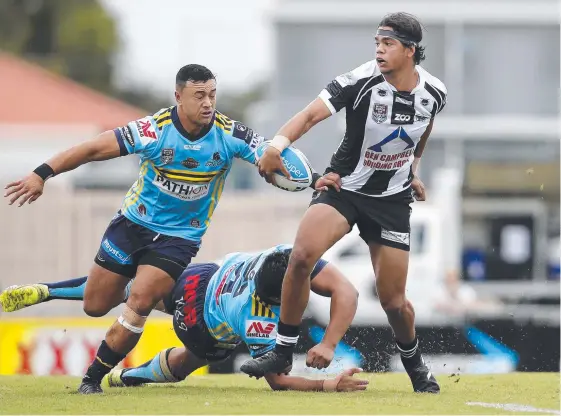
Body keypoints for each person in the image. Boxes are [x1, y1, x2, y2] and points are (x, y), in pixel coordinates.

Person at [3, 64, 325, 394]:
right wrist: (42, 173)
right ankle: (47, 290)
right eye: (199, 96)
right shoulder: (153, 130)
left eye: (212, 95)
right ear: (178, 97)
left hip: (180, 238)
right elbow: (93, 149)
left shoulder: (229, 134)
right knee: (96, 304)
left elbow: (272, 154)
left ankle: (92, 379)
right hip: (132, 225)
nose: (208, 103)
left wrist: (312, 178)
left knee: (141, 301)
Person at [242, 13, 447, 394]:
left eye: (388, 45)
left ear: (410, 51)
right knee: (301, 256)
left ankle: (416, 364)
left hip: (391, 201)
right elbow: (308, 116)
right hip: (343, 189)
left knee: (394, 301)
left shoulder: (435, 93)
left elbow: (424, 128)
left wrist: (413, 170)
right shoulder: (357, 81)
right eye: (377, 44)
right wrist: (275, 146)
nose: (380, 51)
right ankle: (283, 350)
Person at [0, 246, 367, 393]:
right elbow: (278, 380)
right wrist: (328, 386)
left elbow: (346, 291)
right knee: (199, 356)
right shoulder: (254, 315)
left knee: (134, 290)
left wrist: (330, 341)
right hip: (201, 312)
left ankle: (48, 290)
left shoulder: (289, 258)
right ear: (275, 300)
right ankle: (125, 375)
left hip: (206, 272)